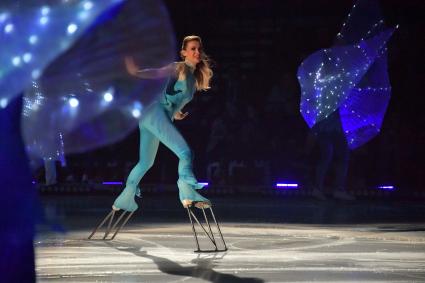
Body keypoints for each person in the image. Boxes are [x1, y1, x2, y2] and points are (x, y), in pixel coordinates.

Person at [113, 35, 213, 212]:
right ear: (184, 52)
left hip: (152, 116)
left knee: (145, 162)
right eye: (192, 49)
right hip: (155, 114)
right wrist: (136, 72)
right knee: (185, 153)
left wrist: (177, 113)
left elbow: (173, 98)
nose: (197, 52)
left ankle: (125, 199)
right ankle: (187, 192)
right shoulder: (180, 67)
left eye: (199, 49)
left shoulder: (193, 76)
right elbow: (157, 72)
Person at [309, 110, 355, 201]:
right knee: (327, 157)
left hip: (335, 129)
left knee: (340, 157)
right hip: (327, 128)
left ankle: (337, 189)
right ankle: (320, 189)